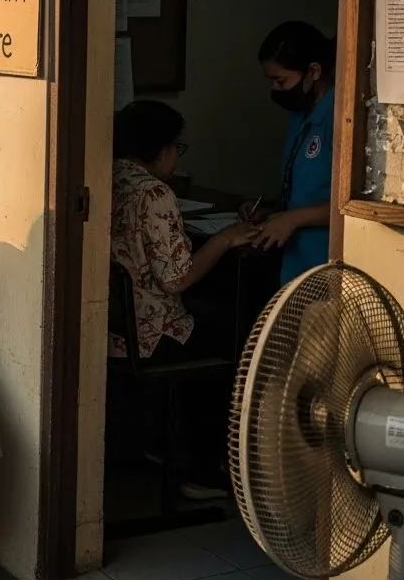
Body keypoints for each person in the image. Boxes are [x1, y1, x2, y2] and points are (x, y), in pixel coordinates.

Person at [110, 100, 257, 361]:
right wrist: (226, 237)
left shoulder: (105, 175)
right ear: (161, 149)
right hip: (151, 334)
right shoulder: (153, 193)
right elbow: (176, 279)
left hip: (113, 326)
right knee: (243, 325)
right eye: (177, 147)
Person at [250, 21, 336, 284]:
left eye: (281, 80)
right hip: (294, 264)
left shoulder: (339, 119)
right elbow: (306, 187)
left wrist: (294, 218)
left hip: (324, 262)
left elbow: (350, 205)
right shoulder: (300, 115)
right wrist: (275, 210)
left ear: (314, 71)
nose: (276, 89)